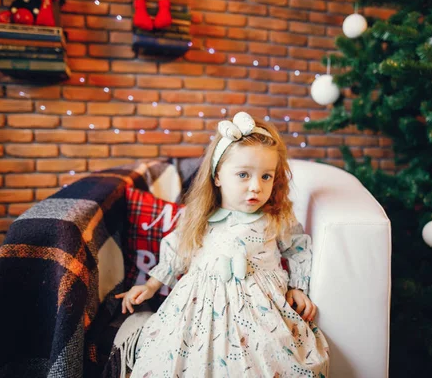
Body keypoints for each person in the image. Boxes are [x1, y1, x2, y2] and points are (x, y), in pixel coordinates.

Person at [116, 111, 330, 377]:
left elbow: (298, 248)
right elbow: (177, 251)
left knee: (267, 356)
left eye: (266, 176)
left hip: (260, 311)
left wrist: (298, 287)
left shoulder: (276, 219)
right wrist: (150, 285)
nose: (256, 187)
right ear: (217, 177)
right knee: (177, 357)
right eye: (243, 175)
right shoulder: (199, 217)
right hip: (198, 306)